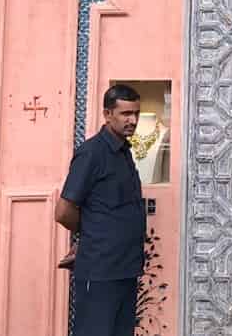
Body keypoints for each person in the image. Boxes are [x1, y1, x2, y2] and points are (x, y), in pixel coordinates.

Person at [56, 83, 146, 336]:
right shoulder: (92, 153)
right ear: (107, 114)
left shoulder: (124, 153)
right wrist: (90, 233)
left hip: (126, 268)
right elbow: (63, 211)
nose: (133, 120)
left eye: (136, 113)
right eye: (125, 114)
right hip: (100, 271)